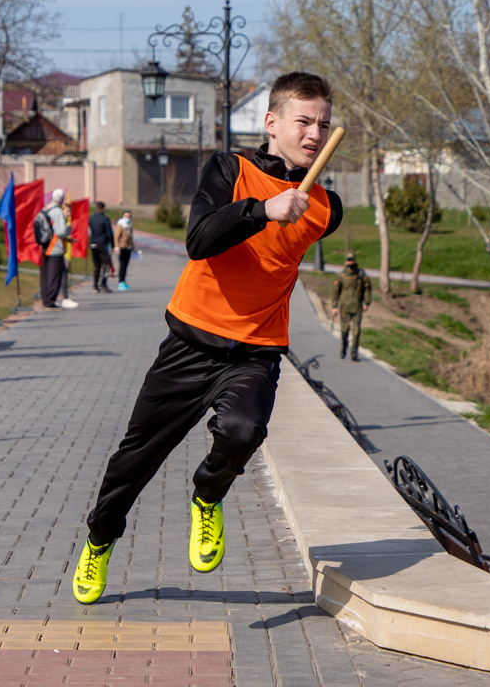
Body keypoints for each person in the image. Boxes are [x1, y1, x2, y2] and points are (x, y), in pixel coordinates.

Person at [72, 71, 343, 604]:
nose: (315, 133)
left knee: (243, 430)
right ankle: (99, 541)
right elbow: (198, 240)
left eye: (324, 124)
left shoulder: (326, 209)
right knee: (134, 461)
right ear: (272, 122)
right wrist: (264, 209)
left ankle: (207, 497)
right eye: (304, 121)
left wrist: (296, 202)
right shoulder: (230, 168)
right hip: (190, 344)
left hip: (257, 351)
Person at [332, 252, 371, 360]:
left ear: (355, 261)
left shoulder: (361, 274)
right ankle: (344, 347)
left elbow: (367, 289)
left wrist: (366, 303)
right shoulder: (341, 275)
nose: (350, 262)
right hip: (344, 307)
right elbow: (336, 291)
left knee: (356, 331)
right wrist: (334, 306)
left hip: (357, 307)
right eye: (348, 260)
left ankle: (354, 353)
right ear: (346, 262)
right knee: (344, 330)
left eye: (352, 260)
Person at [39, 189, 71, 309]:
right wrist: (68, 231)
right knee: (55, 275)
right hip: (55, 246)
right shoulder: (57, 211)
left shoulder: (46, 208)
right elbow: (61, 231)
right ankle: (50, 300)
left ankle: (45, 297)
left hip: (45, 245)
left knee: (45, 274)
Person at [89, 201, 115, 293]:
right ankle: (103, 284)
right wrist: (112, 245)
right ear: (103, 208)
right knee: (106, 264)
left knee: (97, 265)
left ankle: (95, 286)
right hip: (102, 244)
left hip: (93, 244)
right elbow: (109, 232)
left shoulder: (91, 218)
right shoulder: (105, 219)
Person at [114, 211, 134, 290]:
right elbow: (116, 236)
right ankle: (120, 282)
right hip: (122, 247)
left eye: (129, 216)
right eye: (126, 216)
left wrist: (133, 247)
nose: (127, 217)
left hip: (128, 247)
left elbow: (130, 237)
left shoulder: (129, 226)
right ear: (122, 216)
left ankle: (124, 281)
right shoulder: (120, 225)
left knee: (126, 265)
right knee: (122, 265)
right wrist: (117, 247)